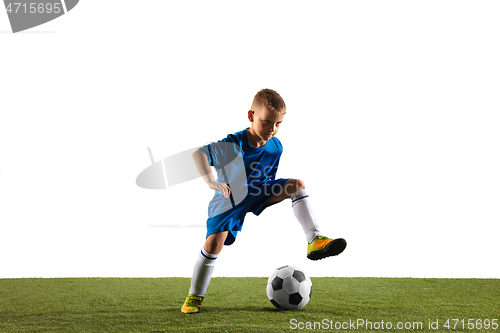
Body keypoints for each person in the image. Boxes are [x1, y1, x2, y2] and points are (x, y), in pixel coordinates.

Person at [181, 88, 346, 314]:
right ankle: (194, 297)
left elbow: (269, 175)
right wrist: (211, 182)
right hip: (229, 201)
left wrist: (269, 192)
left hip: (259, 192)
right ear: (251, 116)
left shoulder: (275, 146)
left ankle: (315, 239)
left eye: (278, 124)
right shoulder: (232, 145)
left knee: (296, 185)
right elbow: (198, 154)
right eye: (267, 122)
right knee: (213, 245)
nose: (272, 129)